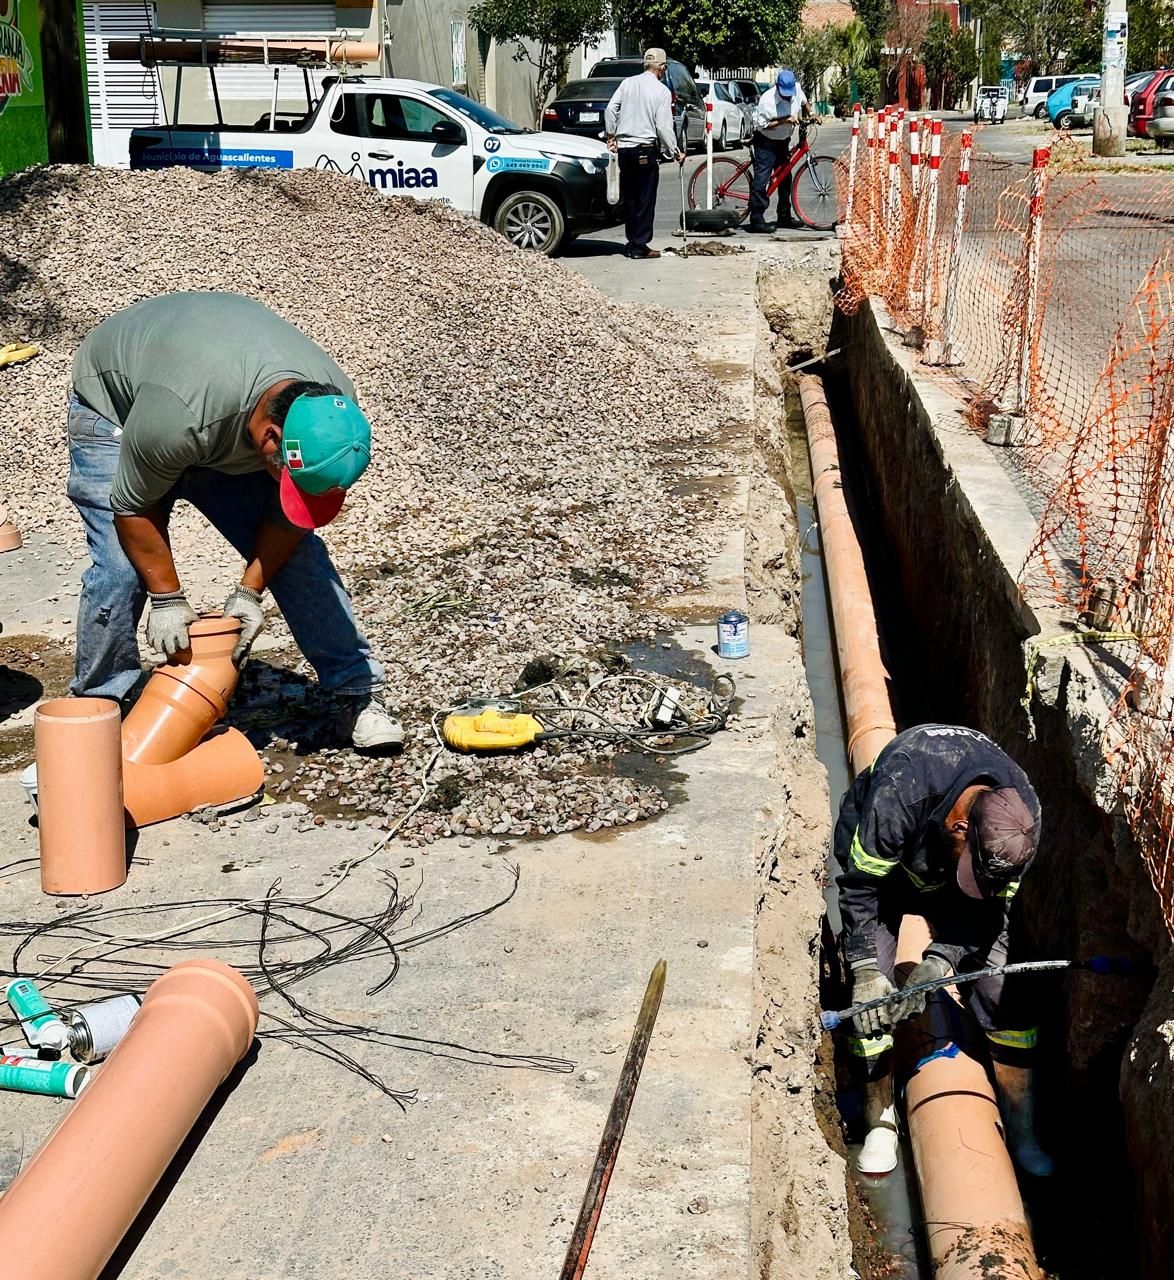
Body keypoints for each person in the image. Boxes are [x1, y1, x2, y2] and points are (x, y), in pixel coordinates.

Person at [66, 290, 402, 751]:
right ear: (270, 437)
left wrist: (249, 591)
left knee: (301, 558)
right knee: (121, 569)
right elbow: (132, 507)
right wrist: (168, 597)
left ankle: (356, 693)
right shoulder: (180, 418)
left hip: (212, 410)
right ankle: (96, 711)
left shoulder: (331, 417)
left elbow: (292, 516)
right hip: (119, 407)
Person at [833, 723, 1053, 1178]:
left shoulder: (1020, 824)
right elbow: (860, 888)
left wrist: (940, 959)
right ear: (959, 827)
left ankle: (1021, 1127)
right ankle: (879, 1122)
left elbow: (990, 909)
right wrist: (866, 969)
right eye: (971, 864)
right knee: (870, 1006)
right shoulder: (903, 789)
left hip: (958, 892)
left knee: (1004, 997)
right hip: (885, 878)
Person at [604, 47, 685, 260]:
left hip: (625, 149)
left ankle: (632, 242)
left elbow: (610, 110)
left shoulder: (627, 83)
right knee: (645, 200)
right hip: (645, 149)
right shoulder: (662, 91)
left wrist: (611, 135)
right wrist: (675, 151)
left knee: (630, 198)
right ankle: (640, 245)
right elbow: (663, 127)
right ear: (662, 68)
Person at [747, 68, 813, 233]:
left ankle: (784, 216)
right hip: (766, 141)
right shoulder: (767, 100)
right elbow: (763, 125)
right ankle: (756, 219)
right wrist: (785, 120)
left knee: (785, 178)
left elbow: (804, 103)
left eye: (789, 94)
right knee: (762, 179)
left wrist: (812, 114)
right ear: (777, 87)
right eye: (784, 94)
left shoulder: (796, 90)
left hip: (783, 141)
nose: (787, 97)